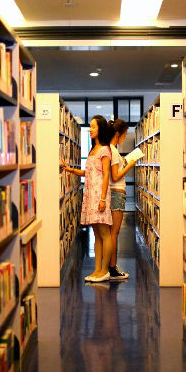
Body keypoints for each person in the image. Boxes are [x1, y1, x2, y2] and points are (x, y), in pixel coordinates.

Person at [61, 115, 113, 282]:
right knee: (97, 234)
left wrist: (103, 199)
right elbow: (88, 173)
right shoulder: (93, 150)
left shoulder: (105, 150)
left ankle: (105, 270)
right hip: (91, 195)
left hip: (100, 196)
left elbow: (106, 175)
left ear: (101, 129)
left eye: (93, 127)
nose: (90, 129)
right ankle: (97, 270)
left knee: (105, 233)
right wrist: (70, 169)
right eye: (90, 126)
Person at [107, 119, 136, 280]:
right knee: (114, 233)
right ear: (117, 134)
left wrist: (123, 163)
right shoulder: (112, 150)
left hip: (114, 193)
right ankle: (112, 269)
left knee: (112, 232)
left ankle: (111, 266)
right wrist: (129, 165)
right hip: (117, 194)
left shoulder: (111, 150)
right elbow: (116, 176)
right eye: (124, 135)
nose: (124, 139)